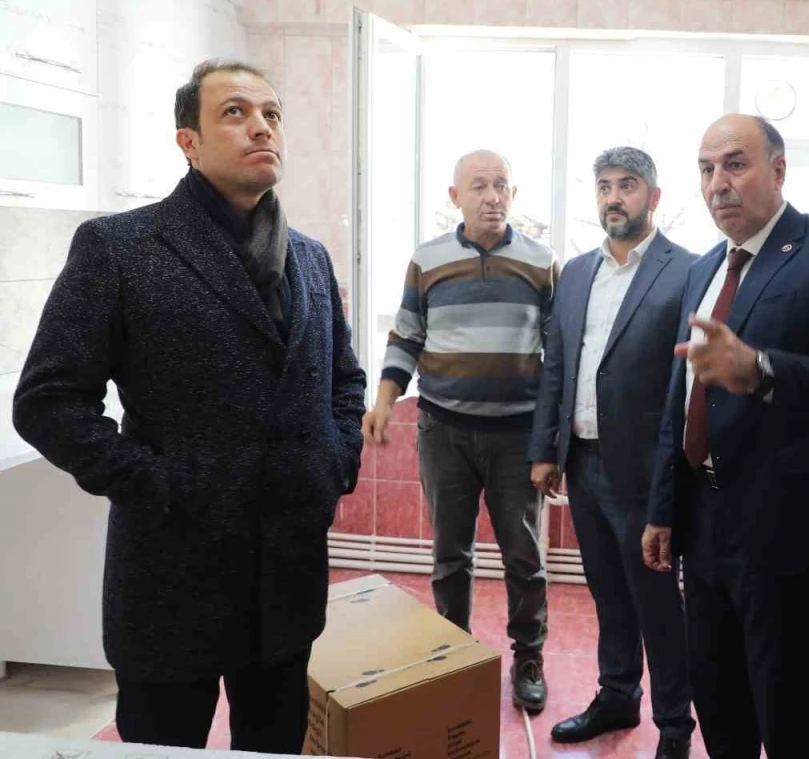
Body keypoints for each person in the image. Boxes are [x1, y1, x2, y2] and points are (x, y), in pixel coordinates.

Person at [12, 60, 366, 752]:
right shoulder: (120, 248)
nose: (261, 126)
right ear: (189, 142)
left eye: (271, 113)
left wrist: (335, 458)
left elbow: (344, 380)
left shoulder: (310, 257)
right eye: (235, 112)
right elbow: (48, 401)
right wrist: (158, 483)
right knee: (164, 747)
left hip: (287, 577)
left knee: (274, 745)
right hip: (173, 574)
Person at [643, 114, 809, 758]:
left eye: (735, 164)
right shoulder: (704, 269)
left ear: (778, 169)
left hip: (790, 529)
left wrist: (759, 369)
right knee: (717, 698)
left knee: (786, 710)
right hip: (705, 521)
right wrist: (664, 508)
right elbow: (682, 397)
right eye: (705, 169)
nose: (717, 183)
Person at [362, 150, 557, 713]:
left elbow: (559, 354)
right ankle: (454, 650)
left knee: (524, 556)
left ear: (512, 194)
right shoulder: (428, 260)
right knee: (450, 553)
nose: (492, 196)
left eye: (502, 185)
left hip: (516, 436)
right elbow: (406, 336)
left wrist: (550, 441)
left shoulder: (542, 263)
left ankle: (528, 656)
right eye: (479, 186)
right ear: (455, 197)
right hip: (443, 432)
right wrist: (383, 400)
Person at [529, 147, 697, 758]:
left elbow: (684, 384)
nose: (613, 198)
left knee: (657, 602)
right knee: (607, 591)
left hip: (647, 469)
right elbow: (557, 363)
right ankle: (617, 696)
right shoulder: (576, 272)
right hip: (582, 461)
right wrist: (546, 448)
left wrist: (671, 476)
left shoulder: (687, 271)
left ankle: (674, 725)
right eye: (604, 187)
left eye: (627, 185)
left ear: (654, 196)